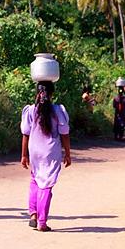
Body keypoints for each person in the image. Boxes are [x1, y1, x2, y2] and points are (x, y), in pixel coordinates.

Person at [20, 81, 72, 232]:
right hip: (50, 152)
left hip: (34, 150)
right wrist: (67, 154)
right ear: (52, 93)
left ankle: (33, 214)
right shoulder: (57, 110)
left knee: (35, 179)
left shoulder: (30, 110)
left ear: (37, 93)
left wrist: (24, 155)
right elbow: (65, 134)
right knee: (47, 185)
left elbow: (25, 133)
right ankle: (42, 222)